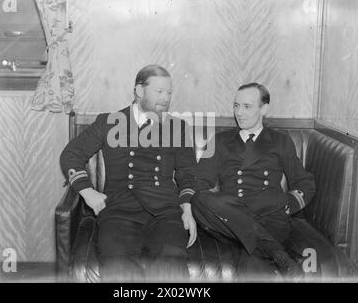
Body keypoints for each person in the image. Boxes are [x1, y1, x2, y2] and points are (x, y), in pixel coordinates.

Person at [60, 65, 197, 282]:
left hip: (164, 212)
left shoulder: (177, 128)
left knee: (171, 264)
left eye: (169, 92)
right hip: (119, 212)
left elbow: (187, 173)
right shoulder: (109, 122)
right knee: (118, 266)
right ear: (139, 91)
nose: (166, 98)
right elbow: (71, 155)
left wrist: (187, 208)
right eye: (159, 92)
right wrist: (88, 192)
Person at [191, 83, 316, 280]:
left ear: (264, 109)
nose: (239, 112)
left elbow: (304, 183)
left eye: (247, 106)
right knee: (199, 199)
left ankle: (269, 250)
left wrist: (286, 205)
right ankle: (278, 253)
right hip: (230, 220)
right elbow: (199, 182)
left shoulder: (280, 141)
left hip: (270, 217)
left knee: (251, 266)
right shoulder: (219, 140)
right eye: (236, 106)